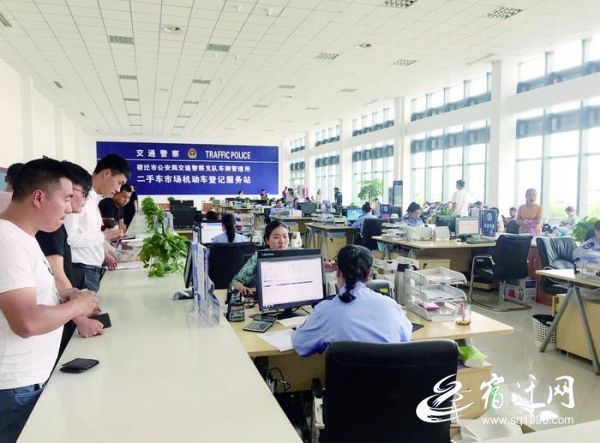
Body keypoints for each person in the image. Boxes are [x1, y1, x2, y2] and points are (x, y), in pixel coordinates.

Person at [0, 158, 97, 442]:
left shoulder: (25, 237)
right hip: (14, 387)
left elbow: (29, 297)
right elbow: (26, 322)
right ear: (39, 197)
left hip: (27, 381)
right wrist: (76, 306)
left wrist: (64, 295)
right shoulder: (7, 242)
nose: (69, 208)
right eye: (65, 198)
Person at [292, 245, 412, 357]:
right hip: (387, 373)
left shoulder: (326, 311)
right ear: (369, 274)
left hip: (344, 374)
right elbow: (406, 336)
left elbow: (300, 345)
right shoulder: (390, 306)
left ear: (338, 271)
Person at [36, 161, 104, 348]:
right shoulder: (50, 228)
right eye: (68, 197)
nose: (84, 200)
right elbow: (58, 277)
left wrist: (80, 302)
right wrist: (81, 318)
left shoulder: (55, 225)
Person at [64, 154, 130, 292]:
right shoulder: (80, 198)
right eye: (119, 183)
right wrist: (104, 236)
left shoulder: (94, 199)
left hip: (91, 270)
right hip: (81, 271)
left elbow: (89, 233)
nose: (118, 189)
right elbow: (70, 238)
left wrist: (104, 254)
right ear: (107, 173)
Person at [230, 221, 290, 296]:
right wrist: (242, 288)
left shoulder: (297, 255)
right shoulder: (258, 257)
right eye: (276, 237)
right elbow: (235, 282)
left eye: (285, 236)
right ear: (267, 240)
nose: (282, 241)